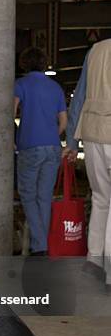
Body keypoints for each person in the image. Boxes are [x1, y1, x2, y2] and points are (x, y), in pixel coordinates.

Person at [63, 38, 111, 294]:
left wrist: (71, 140)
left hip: (92, 134)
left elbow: (79, 97)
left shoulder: (95, 49)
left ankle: (94, 260)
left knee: (102, 198)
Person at [14, 47, 67, 255]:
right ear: (44, 64)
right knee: (44, 197)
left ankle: (40, 247)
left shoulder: (21, 84)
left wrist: (15, 136)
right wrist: (51, 134)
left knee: (28, 196)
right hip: (53, 147)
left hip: (29, 146)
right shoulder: (55, 88)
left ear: (24, 64)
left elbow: (10, 111)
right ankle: (41, 245)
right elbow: (63, 122)